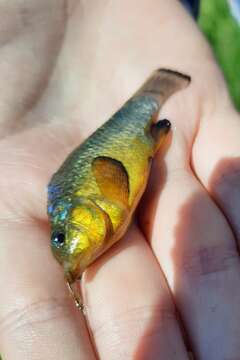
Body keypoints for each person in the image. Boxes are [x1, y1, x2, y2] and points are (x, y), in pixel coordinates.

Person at [0, 1, 239, 359]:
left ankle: (156, 90)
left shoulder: (97, 199)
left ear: (74, 216)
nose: (68, 250)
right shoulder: (99, 217)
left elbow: (114, 175)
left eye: (62, 236)